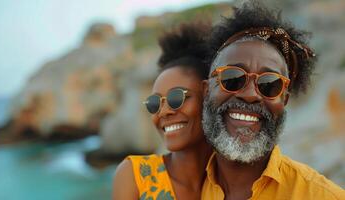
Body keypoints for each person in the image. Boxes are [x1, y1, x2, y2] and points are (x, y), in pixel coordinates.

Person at [201, 2, 345, 200]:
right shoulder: (177, 188)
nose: (250, 94)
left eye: (270, 84)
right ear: (206, 91)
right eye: (232, 78)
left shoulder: (322, 196)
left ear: (284, 100)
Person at [112, 22, 213, 200]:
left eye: (176, 98)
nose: (164, 111)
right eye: (154, 103)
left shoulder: (232, 182)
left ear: (208, 95)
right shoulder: (136, 176)